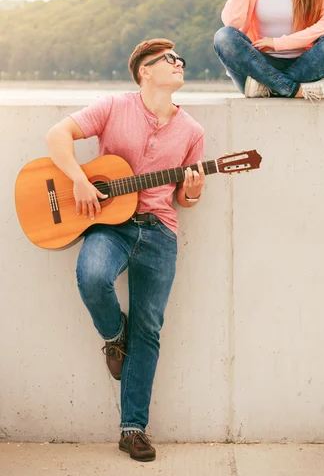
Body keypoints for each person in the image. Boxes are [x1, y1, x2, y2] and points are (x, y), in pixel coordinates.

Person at [45, 39, 205, 463]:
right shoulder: (113, 106)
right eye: (169, 60)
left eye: (180, 60)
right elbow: (57, 133)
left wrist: (193, 192)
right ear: (145, 71)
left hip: (159, 233)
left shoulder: (193, 131)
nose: (179, 64)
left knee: (149, 330)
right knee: (93, 277)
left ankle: (133, 429)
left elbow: (185, 201)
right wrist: (79, 178)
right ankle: (115, 336)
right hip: (110, 225)